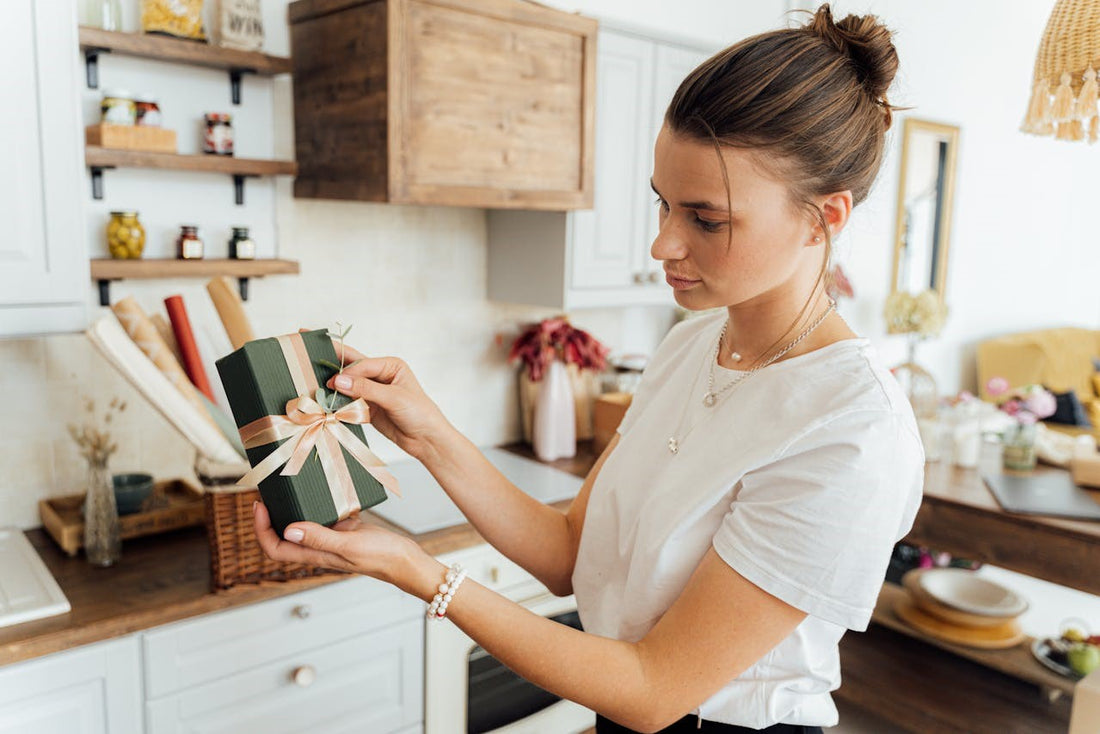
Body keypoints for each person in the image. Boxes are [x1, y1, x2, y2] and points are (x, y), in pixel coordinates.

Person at [252, 5, 925, 732]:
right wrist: (428, 434)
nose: (662, 244)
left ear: (824, 218)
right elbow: (571, 555)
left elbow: (655, 688)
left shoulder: (852, 433)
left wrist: (415, 569)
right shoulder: (691, 347)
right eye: (662, 204)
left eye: (706, 218)